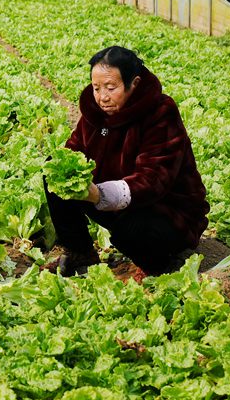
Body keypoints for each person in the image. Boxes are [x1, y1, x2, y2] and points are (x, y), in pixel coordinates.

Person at [46, 46, 209, 276]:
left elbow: (153, 179)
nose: (102, 97)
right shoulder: (96, 112)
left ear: (135, 83)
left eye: (111, 88)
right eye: (96, 88)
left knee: (129, 231)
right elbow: (73, 151)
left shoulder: (160, 112)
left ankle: (157, 266)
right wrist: (71, 176)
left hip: (167, 211)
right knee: (56, 175)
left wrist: (98, 195)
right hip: (117, 202)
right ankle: (80, 251)